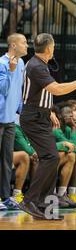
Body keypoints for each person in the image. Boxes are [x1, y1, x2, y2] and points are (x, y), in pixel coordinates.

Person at [18, 33, 76, 220]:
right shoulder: (36, 66)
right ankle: (30, 200)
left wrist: (49, 111)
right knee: (51, 157)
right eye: (53, 47)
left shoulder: (38, 64)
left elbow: (38, 92)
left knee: (52, 158)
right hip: (33, 117)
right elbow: (57, 89)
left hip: (41, 115)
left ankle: (44, 204)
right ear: (49, 48)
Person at [0, 33, 27, 210]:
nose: (27, 45)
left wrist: (21, 110)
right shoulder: (2, 63)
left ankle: (5, 197)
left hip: (10, 120)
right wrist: (10, 70)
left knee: (6, 160)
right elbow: (3, 89)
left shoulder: (22, 63)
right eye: (24, 43)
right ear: (13, 45)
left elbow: (18, 89)